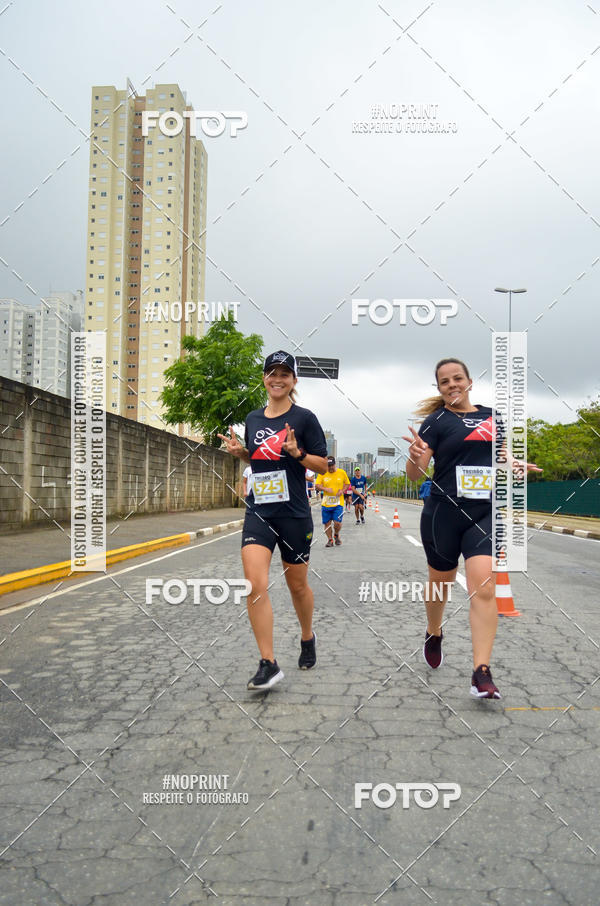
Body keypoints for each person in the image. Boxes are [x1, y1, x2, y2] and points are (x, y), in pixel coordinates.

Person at [403, 357, 541, 700]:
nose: (452, 384)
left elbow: (500, 455)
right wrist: (414, 455)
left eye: (457, 378)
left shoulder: (492, 416)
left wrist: (515, 463)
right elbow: (414, 474)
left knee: (484, 588)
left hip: (483, 512)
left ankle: (481, 672)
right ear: (438, 388)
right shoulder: (435, 422)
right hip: (443, 513)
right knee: (440, 584)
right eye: (444, 381)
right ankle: (434, 632)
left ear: (469, 381)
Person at [218, 351, 328, 691]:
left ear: (294, 380)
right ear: (264, 378)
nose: (277, 378)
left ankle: (307, 636)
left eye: (284, 373)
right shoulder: (253, 419)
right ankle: (268, 661)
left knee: (297, 586)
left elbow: (323, 466)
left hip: (294, 513)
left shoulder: (305, 418)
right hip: (259, 511)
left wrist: (298, 454)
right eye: (271, 372)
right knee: (254, 584)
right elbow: (259, 457)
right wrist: (242, 453)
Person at [314, 457, 351, 547]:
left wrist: (342, 491)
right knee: (327, 523)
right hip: (326, 503)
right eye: (328, 466)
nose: (330, 468)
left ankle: (336, 534)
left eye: (332, 466)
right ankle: (330, 540)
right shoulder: (323, 473)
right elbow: (317, 485)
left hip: (338, 503)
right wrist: (325, 488)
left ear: (335, 464)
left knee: (337, 522)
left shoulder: (341, 472)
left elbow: (347, 484)